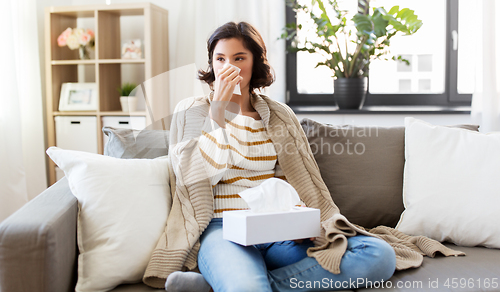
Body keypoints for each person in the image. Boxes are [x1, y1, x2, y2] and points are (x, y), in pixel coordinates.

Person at [142, 22, 463, 292]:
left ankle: (217, 286)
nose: (229, 68)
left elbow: (291, 180)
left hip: (274, 228)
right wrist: (218, 116)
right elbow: (193, 179)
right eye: (220, 59)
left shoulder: (279, 115)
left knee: (379, 256)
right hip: (223, 228)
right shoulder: (192, 111)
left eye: (239, 58)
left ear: (254, 62)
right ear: (211, 64)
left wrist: (301, 217)